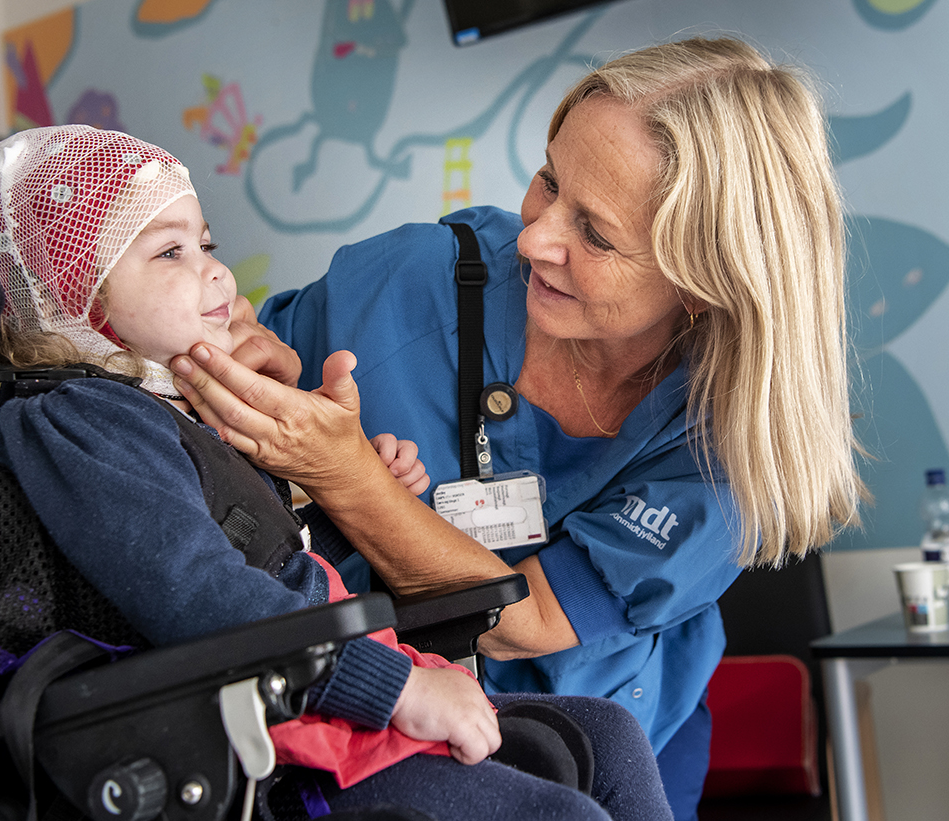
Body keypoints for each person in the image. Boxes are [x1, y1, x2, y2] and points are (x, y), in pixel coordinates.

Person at [170, 37, 865, 819]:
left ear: (703, 285)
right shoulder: (406, 283)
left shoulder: (728, 443)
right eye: (549, 180)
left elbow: (523, 622)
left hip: (614, 741)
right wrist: (256, 365)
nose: (534, 236)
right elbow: (245, 374)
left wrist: (348, 476)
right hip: (379, 726)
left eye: (595, 233)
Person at [0, 125, 672, 821]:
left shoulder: (171, 408)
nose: (216, 271)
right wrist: (392, 686)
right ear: (75, 299)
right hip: (255, 737)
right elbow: (199, 591)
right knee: (556, 811)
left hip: (308, 679)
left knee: (606, 735)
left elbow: (272, 552)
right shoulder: (82, 422)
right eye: (169, 253)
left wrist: (349, 489)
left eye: (205, 244)